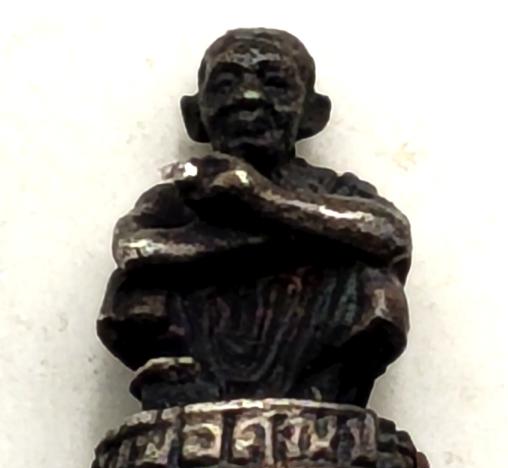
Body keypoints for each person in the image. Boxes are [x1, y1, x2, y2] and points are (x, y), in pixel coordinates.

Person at [99, 28, 411, 408]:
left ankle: (327, 387)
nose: (248, 97)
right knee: (132, 287)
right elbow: (133, 246)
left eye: (275, 84)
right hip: (201, 328)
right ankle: (178, 378)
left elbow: (391, 234)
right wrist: (265, 241)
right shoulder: (181, 195)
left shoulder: (331, 190)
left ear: (312, 112)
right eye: (225, 85)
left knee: (375, 282)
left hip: (312, 347)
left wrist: (263, 200)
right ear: (195, 115)